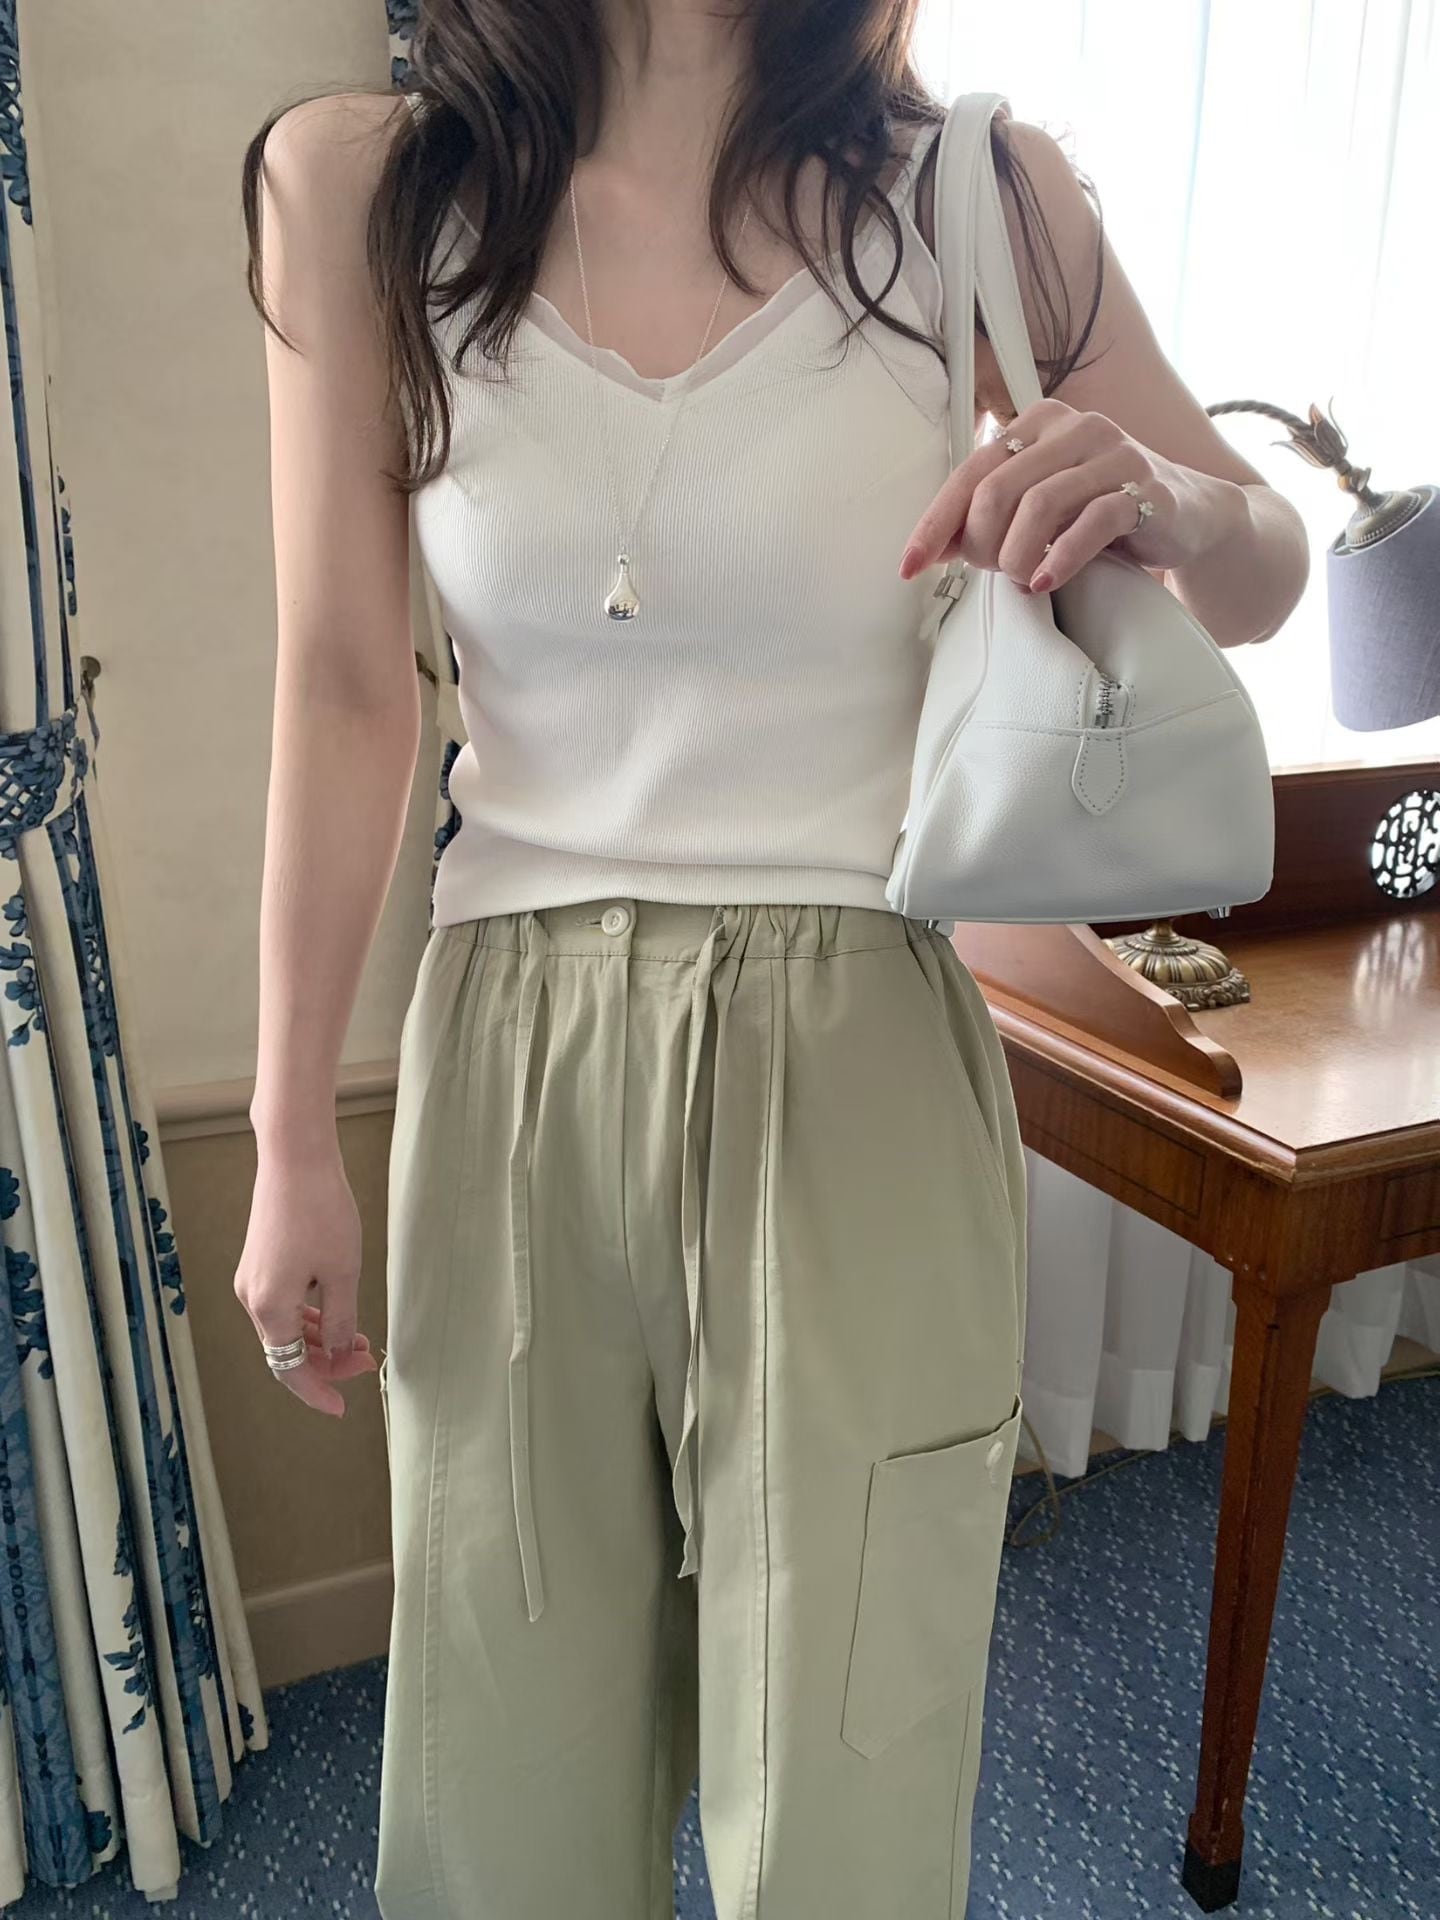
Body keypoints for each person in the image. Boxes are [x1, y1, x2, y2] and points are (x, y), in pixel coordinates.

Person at [232, 3, 1310, 1915]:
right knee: (505, 1791)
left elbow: (1266, 568)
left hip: (860, 1056)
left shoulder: (979, 195)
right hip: (512, 1064)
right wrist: (288, 1129)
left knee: (847, 1798)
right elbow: (339, 688)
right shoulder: (362, 190)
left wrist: (1171, 498)